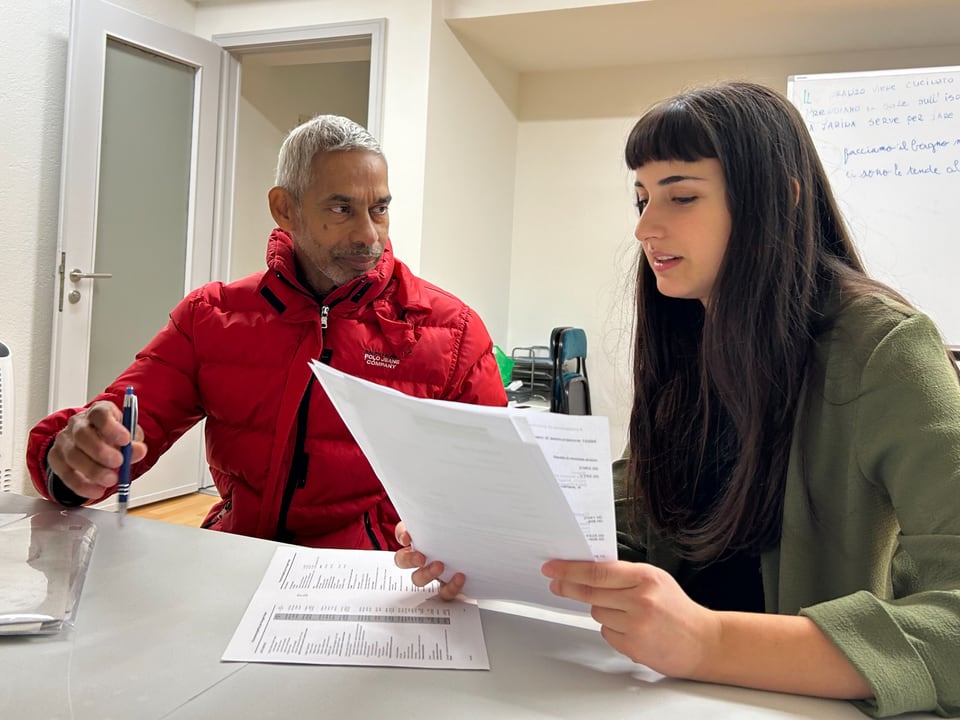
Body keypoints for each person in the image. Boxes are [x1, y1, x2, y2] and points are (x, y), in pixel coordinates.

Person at [395, 82, 960, 717]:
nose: (644, 227)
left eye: (681, 196)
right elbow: (637, 526)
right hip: (668, 694)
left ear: (778, 202)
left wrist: (706, 640)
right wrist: (480, 534)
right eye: (641, 198)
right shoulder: (687, 328)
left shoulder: (886, 349)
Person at [27, 114, 507, 549]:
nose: (369, 235)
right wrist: (72, 462)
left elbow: (497, 485)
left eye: (378, 209)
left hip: (375, 578)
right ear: (285, 209)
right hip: (239, 558)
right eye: (341, 209)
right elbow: (121, 424)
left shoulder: (452, 331)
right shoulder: (210, 316)